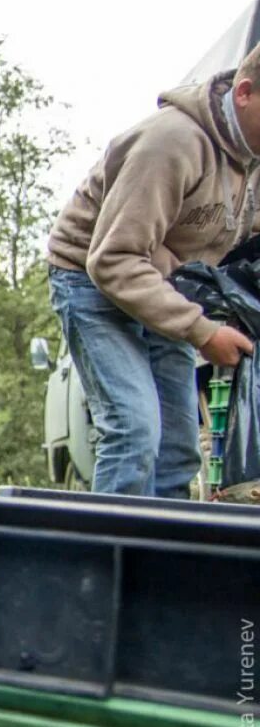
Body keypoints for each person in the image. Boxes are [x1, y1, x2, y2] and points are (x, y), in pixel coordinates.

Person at [47, 46, 260, 499]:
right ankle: (110, 565)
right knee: (135, 430)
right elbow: (112, 259)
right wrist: (201, 331)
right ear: (244, 93)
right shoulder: (173, 143)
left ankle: (161, 562)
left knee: (180, 448)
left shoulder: (251, 159)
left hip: (163, 286)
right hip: (92, 281)